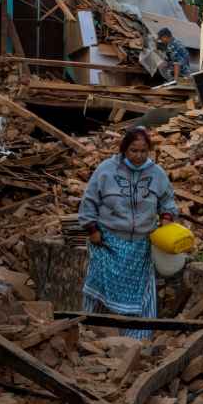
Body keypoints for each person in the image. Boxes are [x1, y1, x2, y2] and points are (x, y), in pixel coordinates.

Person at [78, 128, 178, 339]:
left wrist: (166, 221)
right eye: (134, 150)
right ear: (124, 149)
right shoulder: (106, 170)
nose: (139, 156)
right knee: (99, 286)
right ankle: (91, 333)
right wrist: (92, 229)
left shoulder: (156, 173)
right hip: (108, 241)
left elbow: (168, 201)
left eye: (144, 151)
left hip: (141, 245)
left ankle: (137, 340)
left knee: (142, 293)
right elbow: (89, 201)